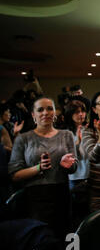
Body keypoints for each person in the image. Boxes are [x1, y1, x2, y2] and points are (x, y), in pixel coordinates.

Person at [8, 97, 77, 240]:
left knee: (68, 237)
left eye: (49, 108)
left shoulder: (66, 135)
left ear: (55, 113)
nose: (45, 112)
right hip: (34, 198)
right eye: (40, 110)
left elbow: (74, 167)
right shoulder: (23, 138)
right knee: (40, 240)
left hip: (62, 193)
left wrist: (68, 166)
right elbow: (14, 175)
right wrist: (39, 168)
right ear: (33, 115)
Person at [64, 100, 90, 229]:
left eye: (83, 111)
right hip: (75, 177)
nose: (81, 114)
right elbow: (68, 156)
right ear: (70, 114)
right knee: (76, 213)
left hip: (89, 174)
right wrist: (77, 143)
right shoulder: (66, 133)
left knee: (89, 212)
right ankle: (75, 243)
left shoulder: (89, 128)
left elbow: (89, 154)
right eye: (77, 112)